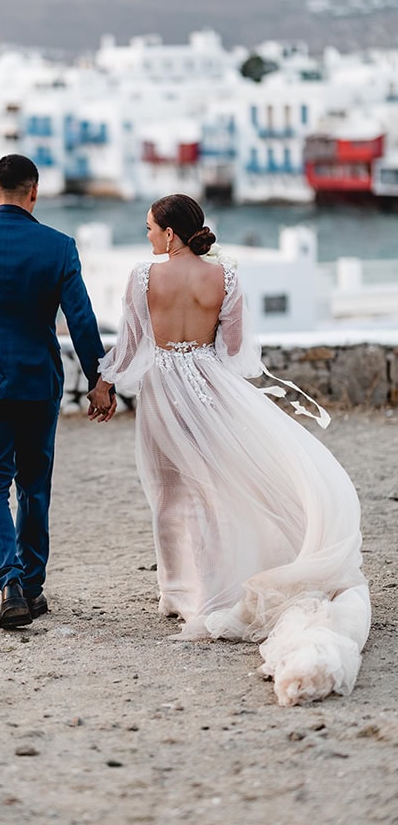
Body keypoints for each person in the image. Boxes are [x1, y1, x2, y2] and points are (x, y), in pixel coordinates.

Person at [94, 193, 370, 706]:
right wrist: (208, 373)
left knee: (168, 494)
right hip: (209, 388)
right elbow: (238, 353)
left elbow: (132, 345)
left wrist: (105, 382)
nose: (148, 234)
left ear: (171, 233)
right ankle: (212, 594)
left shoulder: (141, 277)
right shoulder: (227, 277)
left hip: (161, 390)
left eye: (152, 227)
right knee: (212, 491)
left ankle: (179, 595)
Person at [0, 154, 115, 629]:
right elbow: (81, 320)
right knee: (34, 485)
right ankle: (31, 587)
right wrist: (99, 379)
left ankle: (8, 580)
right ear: (34, 193)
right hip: (38, 383)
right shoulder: (59, 247)